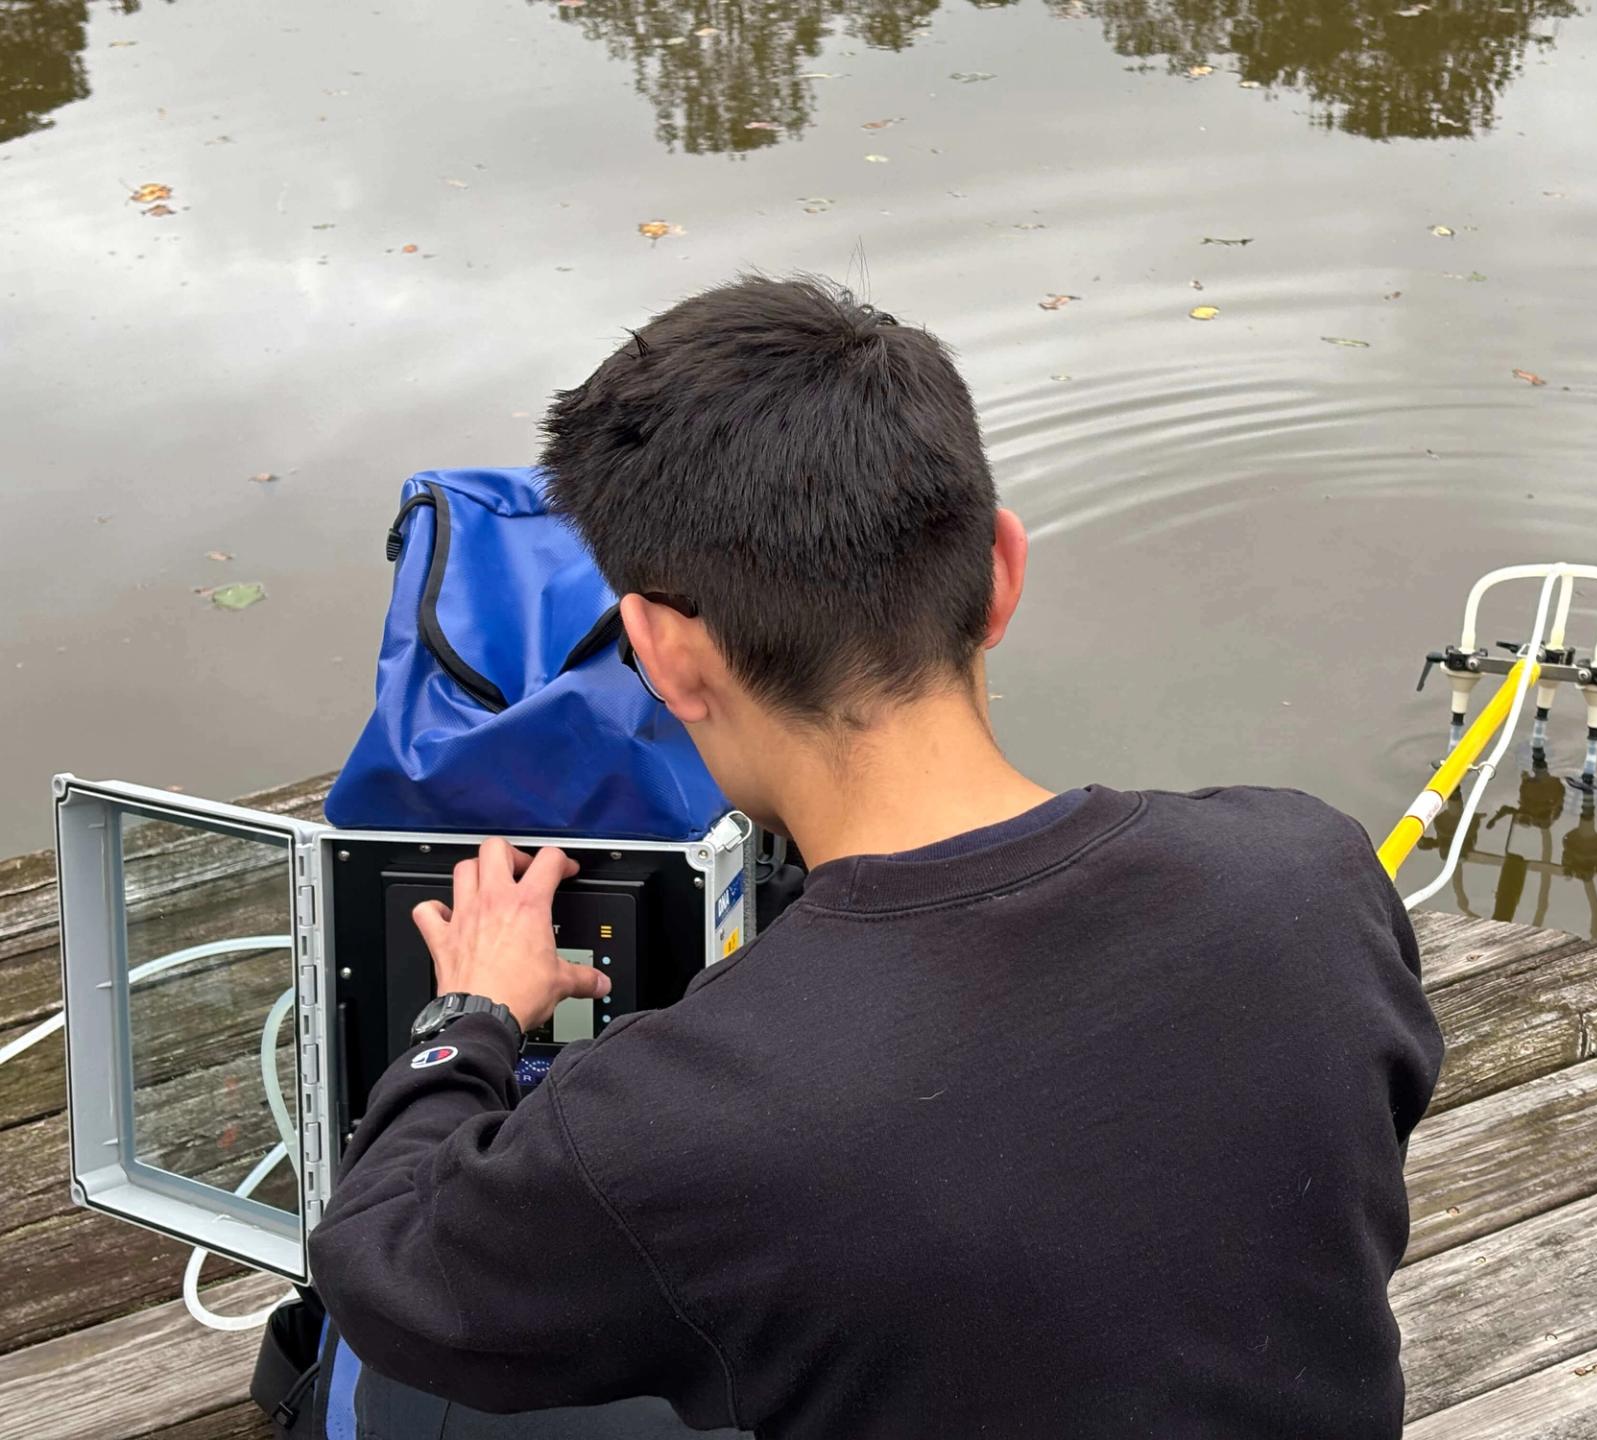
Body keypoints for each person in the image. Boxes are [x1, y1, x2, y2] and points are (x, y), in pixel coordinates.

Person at [309, 275, 1445, 1438]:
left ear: (662, 651)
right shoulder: (1312, 876)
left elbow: (387, 1272)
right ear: (1000, 572)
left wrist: (469, 1017)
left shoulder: (668, 1125)